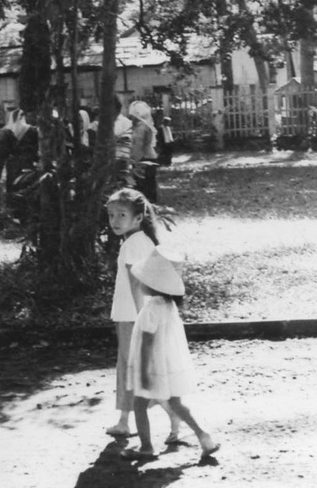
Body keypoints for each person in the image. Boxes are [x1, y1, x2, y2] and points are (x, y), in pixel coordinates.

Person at [120, 246, 220, 462]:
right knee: (175, 402)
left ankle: (146, 446)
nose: (139, 282)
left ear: (154, 284)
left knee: (139, 404)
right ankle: (204, 436)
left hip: (151, 365)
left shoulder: (151, 309)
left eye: (143, 280)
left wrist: (144, 371)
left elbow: (147, 343)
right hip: (168, 364)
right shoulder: (168, 305)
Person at [104, 189, 181, 442]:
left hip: (132, 316)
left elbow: (137, 283)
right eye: (111, 214)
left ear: (138, 217)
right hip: (133, 315)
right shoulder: (144, 241)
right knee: (133, 367)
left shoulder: (131, 244)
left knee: (135, 367)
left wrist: (140, 318)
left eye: (122, 214)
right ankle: (126, 420)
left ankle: (170, 415)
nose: (115, 220)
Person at [129, 101, 159, 202]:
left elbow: (138, 145)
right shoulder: (145, 125)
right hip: (149, 155)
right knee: (150, 182)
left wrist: (134, 160)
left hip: (144, 157)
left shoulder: (141, 127)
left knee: (144, 183)